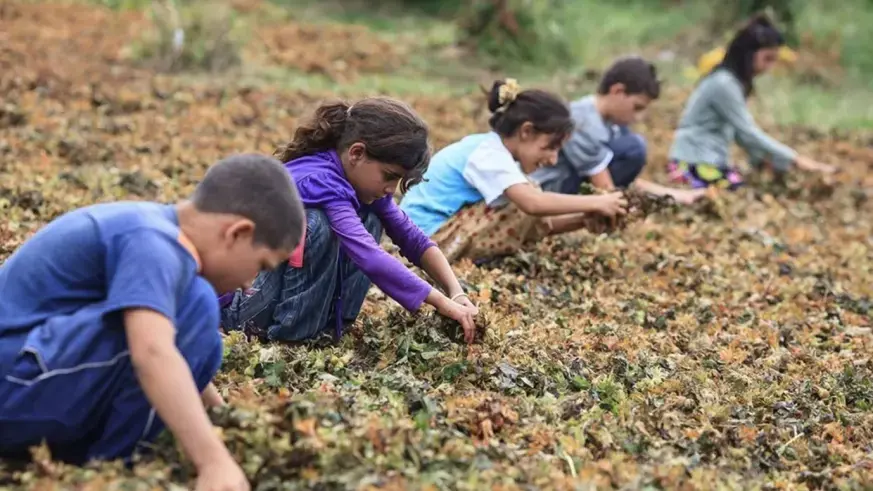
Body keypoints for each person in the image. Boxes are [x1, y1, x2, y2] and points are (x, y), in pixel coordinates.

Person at [0, 154, 306, 491]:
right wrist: (212, 461)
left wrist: (224, 420)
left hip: (28, 381)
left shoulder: (152, 227)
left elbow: (180, 350)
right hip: (12, 387)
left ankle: (103, 456)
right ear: (237, 233)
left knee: (198, 322)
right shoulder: (153, 242)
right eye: (261, 266)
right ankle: (112, 467)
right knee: (198, 305)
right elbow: (153, 352)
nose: (251, 284)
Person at [220, 97, 480, 345]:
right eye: (389, 176)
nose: (391, 189)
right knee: (317, 225)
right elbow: (369, 256)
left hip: (273, 299)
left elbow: (413, 239)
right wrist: (441, 303)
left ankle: (330, 326)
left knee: (371, 216)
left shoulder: (358, 181)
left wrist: (455, 292)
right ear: (357, 153)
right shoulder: (319, 180)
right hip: (244, 308)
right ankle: (291, 337)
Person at [398, 79, 629, 264]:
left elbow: (535, 219)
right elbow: (533, 206)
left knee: (525, 197)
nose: (553, 159)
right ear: (526, 131)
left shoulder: (495, 153)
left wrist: (584, 219)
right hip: (423, 239)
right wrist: (596, 203)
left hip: (428, 235)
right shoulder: (488, 154)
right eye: (550, 147)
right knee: (526, 198)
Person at [668, 15, 836, 190]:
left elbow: (742, 136)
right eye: (767, 59)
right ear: (748, 54)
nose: (769, 67)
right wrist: (796, 160)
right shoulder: (724, 84)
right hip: (694, 163)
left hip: (706, 160)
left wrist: (766, 160)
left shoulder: (730, 83)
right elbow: (748, 132)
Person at [530, 56, 706, 205]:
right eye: (637, 107)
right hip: (549, 190)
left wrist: (675, 196)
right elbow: (605, 186)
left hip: (572, 184)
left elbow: (620, 180)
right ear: (617, 91)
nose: (638, 117)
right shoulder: (582, 121)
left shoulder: (610, 124)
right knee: (634, 148)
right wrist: (618, 209)